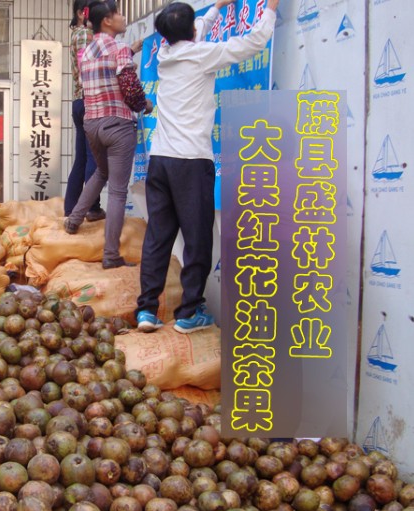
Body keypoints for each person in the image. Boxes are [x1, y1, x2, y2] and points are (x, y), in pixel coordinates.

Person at [135, 0, 279, 333]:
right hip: (190, 161)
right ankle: (188, 313)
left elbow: (195, 32)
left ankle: (146, 310)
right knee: (198, 237)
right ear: (189, 30)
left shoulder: (165, 56)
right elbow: (253, 42)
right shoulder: (203, 55)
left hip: (161, 159)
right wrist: (270, 7)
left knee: (158, 236)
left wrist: (215, 8)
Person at [63, 0, 152, 270]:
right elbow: (129, 86)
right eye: (118, 13)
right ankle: (111, 255)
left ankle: (73, 220)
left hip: (93, 123)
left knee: (100, 172)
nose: (123, 17)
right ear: (107, 21)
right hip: (118, 125)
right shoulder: (118, 48)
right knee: (116, 192)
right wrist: (143, 104)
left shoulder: (87, 51)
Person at [64, 0, 105, 222]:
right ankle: (91, 208)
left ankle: (72, 208)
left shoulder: (80, 34)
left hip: (80, 101)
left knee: (82, 158)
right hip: (88, 100)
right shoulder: (84, 35)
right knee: (93, 158)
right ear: (82, 14)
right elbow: (86, 71)